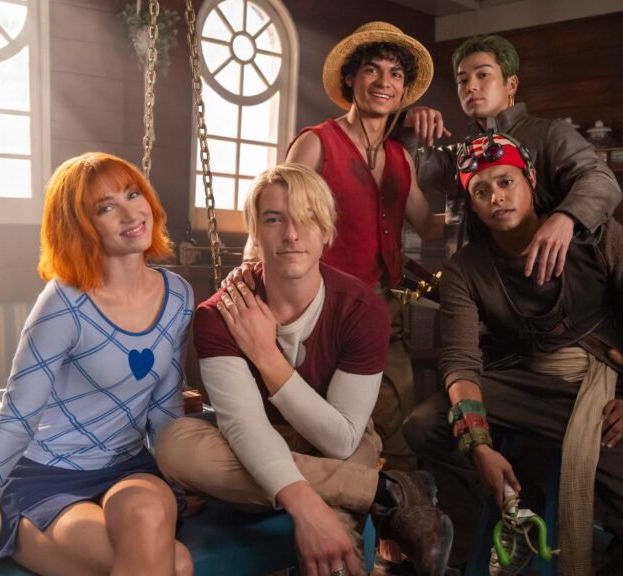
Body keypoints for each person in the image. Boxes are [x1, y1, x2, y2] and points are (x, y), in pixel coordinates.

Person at [402, 132, 623, 575]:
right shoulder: (466, 268)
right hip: (523, 383)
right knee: (424, 425)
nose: (497, 198)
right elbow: (461, 362)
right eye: (481, 191)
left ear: (531, 180)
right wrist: (478, 445)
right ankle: (520, 507)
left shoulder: (597, 237)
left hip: (602, 388)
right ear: (472, 205)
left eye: (506, 182)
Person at [158, 163, 452, 576]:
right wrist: (304, 502)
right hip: (252, 449)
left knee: (346, 481)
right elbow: (245, 427)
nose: (292, 234)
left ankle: (361, 504)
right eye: (274, 219)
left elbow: (340, 439)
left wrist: (266, 355)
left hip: (335, 444)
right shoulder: (220, 313)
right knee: (174, 444)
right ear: (255, 232)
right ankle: (387, 492)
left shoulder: (363, 310)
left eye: (307, 217)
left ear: (327, 231)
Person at [0, 152, 194, 576]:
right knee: (176, 563)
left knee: (150, 516)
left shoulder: (178, 295)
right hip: (48, 478)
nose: (130, 213)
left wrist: (180, 489)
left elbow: (165, 409)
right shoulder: (64, 303)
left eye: (133, 194)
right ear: (79, 226)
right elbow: (16, 424)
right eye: (105, 208)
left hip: (131, 471)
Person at [281, 21, 445, 472]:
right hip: (321, 308)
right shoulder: (316, 143)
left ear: (404, 89)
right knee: (322, 427)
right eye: (372, 70)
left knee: (400, 423)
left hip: (385, 308)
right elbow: (277, 220)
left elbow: (430, 228)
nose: (383, 82)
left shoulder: (402, 157)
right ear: (351, 78)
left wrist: (479, 193)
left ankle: (399, 509)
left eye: (395, 74)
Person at [401, 34, 622, 285]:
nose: (471, 87)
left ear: (512, 84)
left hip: (544, 288)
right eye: (462, 80)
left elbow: (601, 180)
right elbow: (403, 166)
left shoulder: (550, 134)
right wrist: (407, 124)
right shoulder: (461, 155)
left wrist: (565, 218)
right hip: (472, 288)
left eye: (483, 75)